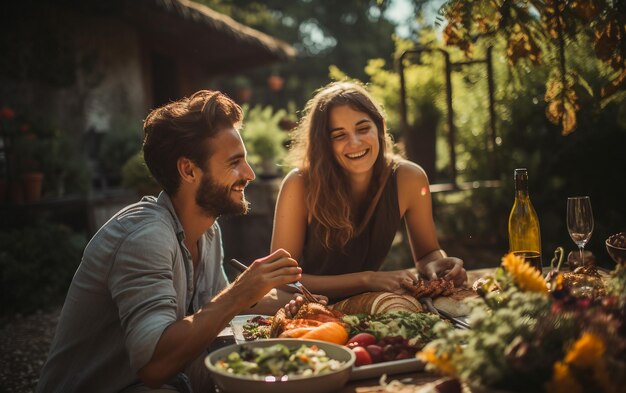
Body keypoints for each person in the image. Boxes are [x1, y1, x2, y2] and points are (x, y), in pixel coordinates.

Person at [37, 90, 307, 393]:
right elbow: (154, 366)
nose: (250, 174)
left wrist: (305, 307)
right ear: (188, 170)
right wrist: (240, 292)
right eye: (235, 162)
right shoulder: (145, 238)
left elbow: (217, 305)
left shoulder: (207, 232)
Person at [271, 81, 467, 304]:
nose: (354, 142)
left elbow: (426, 255)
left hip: (369, 309)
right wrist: (366, 279)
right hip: (308, 311)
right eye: (339, 135)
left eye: (363, 129)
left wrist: (437, 265)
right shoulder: (298, 184)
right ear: (324, 143)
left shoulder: (409, 178)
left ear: (380, 128)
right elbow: (281, 279)